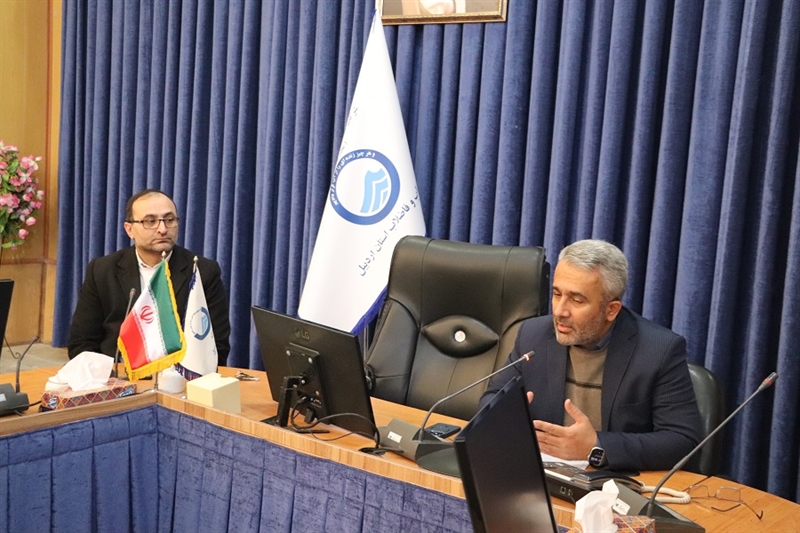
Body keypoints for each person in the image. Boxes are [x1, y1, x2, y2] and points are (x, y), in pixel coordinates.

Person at [480, 239, 702, 471]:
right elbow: (492, 397)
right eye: (556, 294)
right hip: (543, 473)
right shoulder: (533, 335)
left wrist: (597, 445)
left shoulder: (658, 350)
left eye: (577, 300)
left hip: (613, 482)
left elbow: (683, 440)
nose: (559, 311)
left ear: (611, 310)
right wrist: (507, 417)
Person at [67, 189, 231, 367]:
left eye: (169, 220)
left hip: (180, 376)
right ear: (129, 230)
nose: (162, 229)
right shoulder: (103, 270)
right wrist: (107, 376)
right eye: (150, 221)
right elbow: (82, 342)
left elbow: (216, 346)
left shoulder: (201, 272)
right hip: (116, 375)